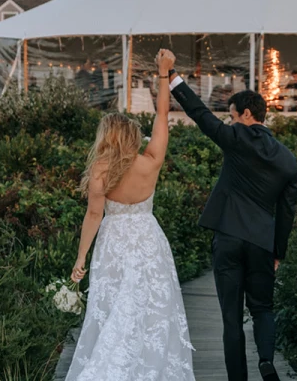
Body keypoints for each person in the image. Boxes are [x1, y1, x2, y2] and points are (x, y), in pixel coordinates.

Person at [161, 48, 297, 381]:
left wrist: (171, 77)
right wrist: (278, 251)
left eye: (233, 115)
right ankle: (266, 361)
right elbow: (287, 211)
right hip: (262, 244)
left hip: (228, 240)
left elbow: (199, 113)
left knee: (231, 319)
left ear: (248, 114)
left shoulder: (236, 137)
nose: (229, 121)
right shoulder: (287, 159)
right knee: (263, 309)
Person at [65, 51, 194, 380]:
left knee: (114, 312)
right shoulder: (150, 161)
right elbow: (163, 117)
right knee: (150, 313)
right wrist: (164, 74)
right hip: (149, 241)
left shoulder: (101, 170)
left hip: (115, 243)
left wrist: (81, 257)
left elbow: (94, 215)